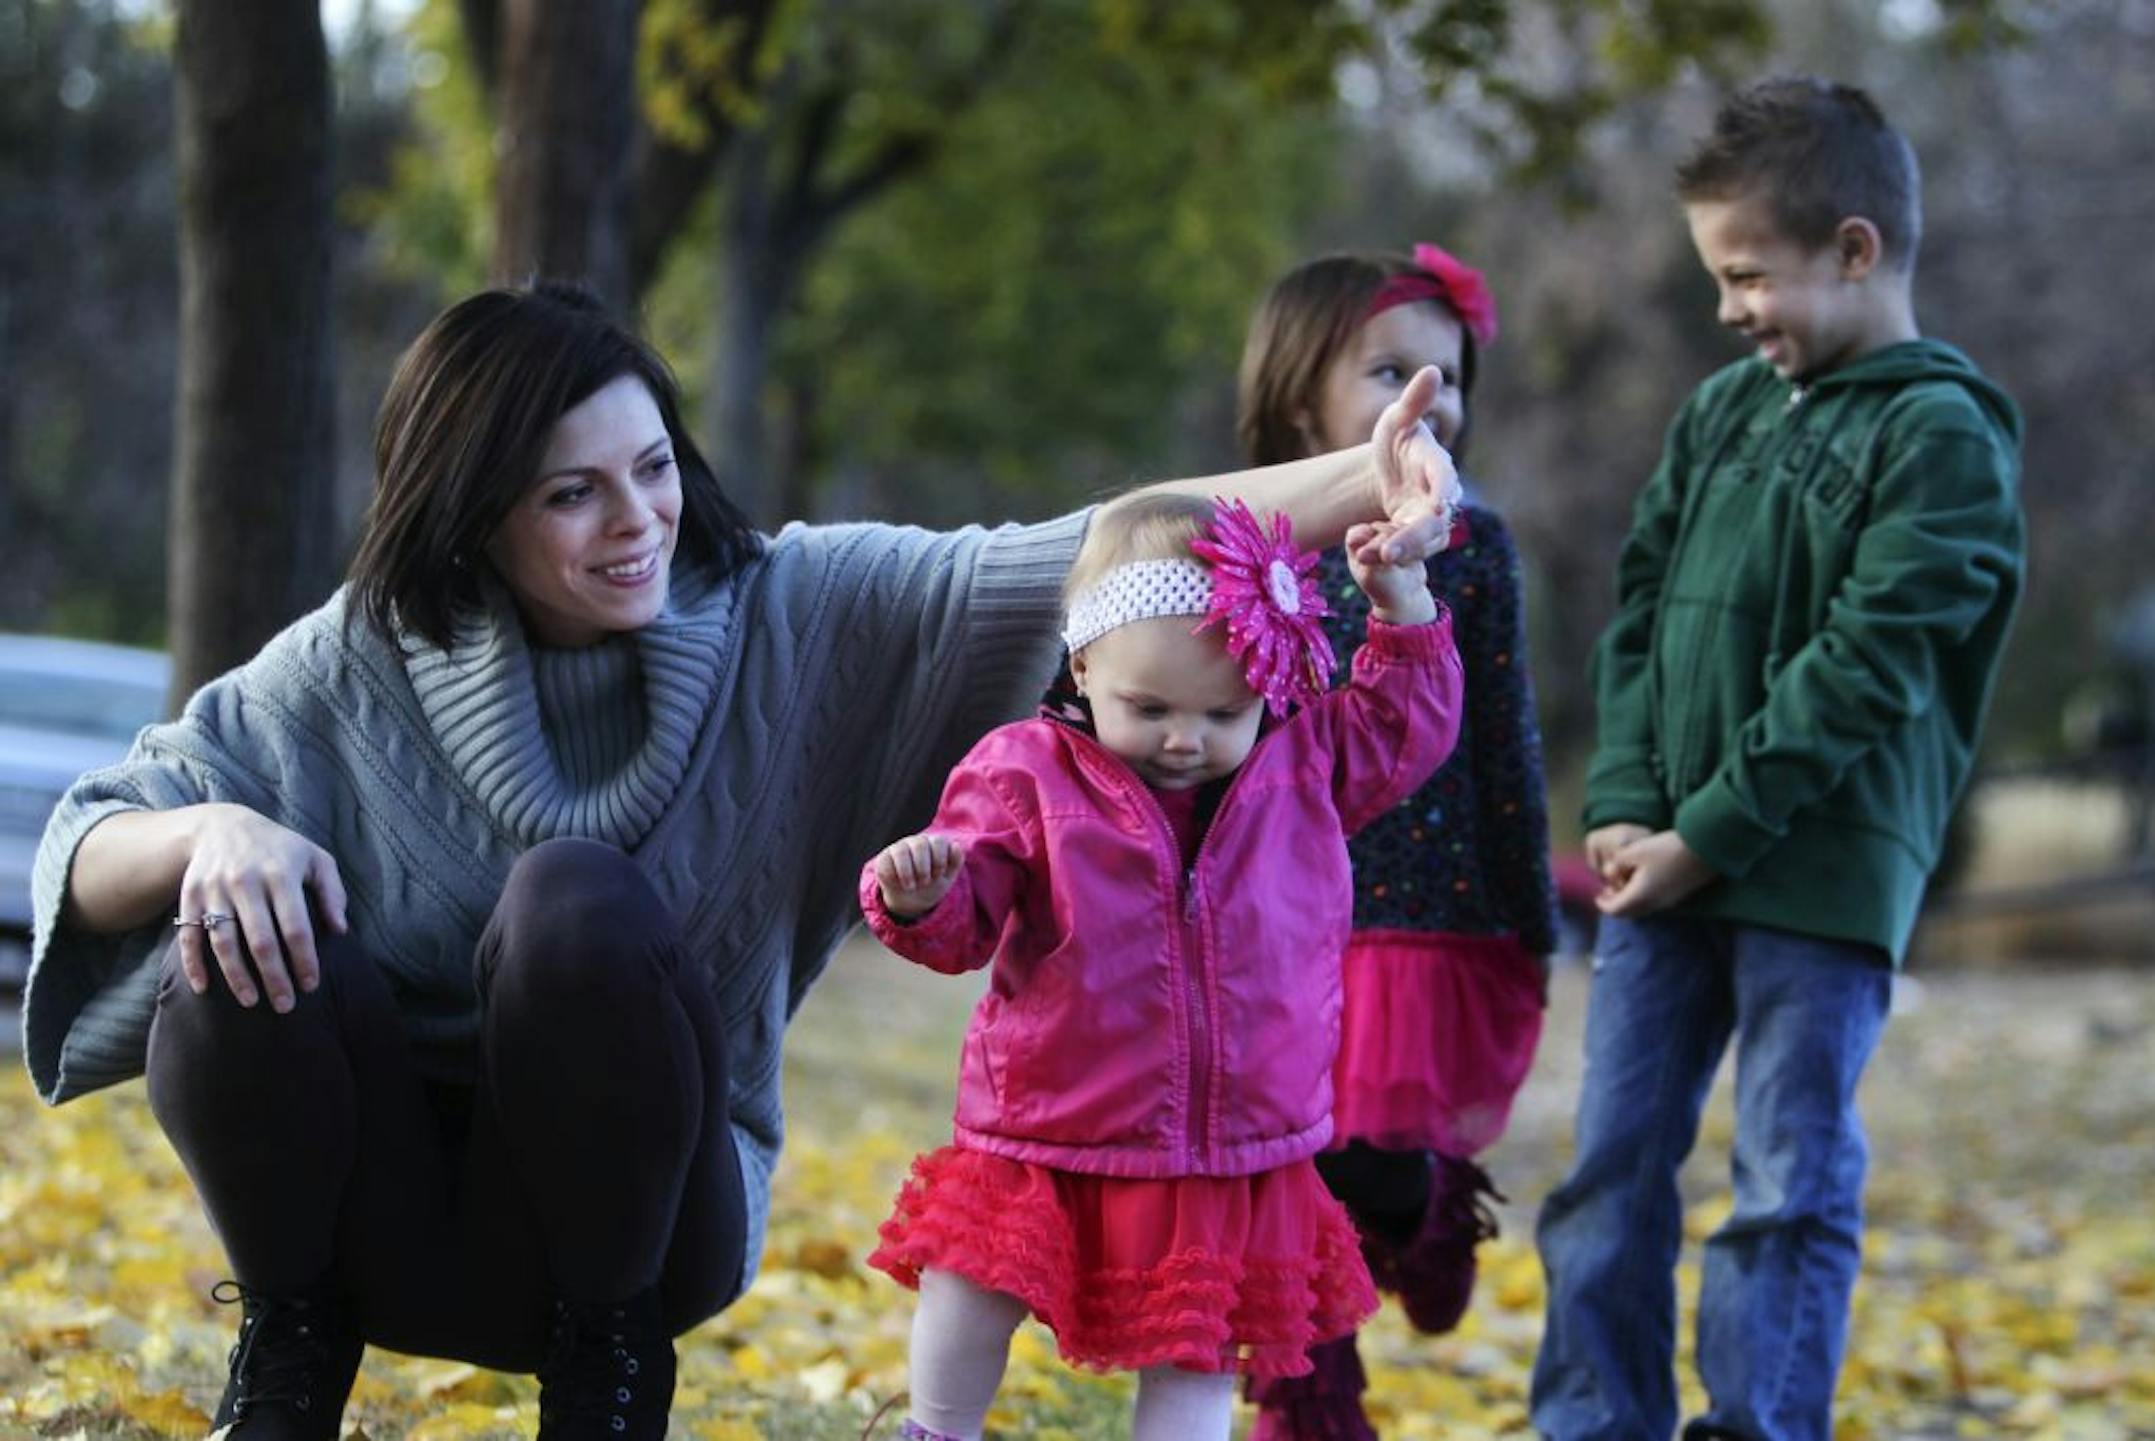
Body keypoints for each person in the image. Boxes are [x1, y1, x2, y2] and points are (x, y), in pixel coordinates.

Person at [21, 282, 1466, 1439]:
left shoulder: (798, 612)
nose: (637, 518)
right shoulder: (351, 667)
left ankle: (606, 1390)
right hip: (373, 1222)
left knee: (572, 899)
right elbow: (85, 843)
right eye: (569, 494)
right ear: (468, 515)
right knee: (224, 945)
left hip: (641, 1241)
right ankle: (288, 1352)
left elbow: (1101, 551)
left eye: (650, 467)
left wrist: (1370, 469)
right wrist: (209, 831)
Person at [1531, 78, 2025, 1441]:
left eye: (1749, 275)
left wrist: (1713, 831)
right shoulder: (1719, 418)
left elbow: (1871, 663)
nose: (1730, 308)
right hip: (1664, 871)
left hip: (1816, 882)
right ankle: (1593, 1424)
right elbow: (1636, 614)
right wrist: (1630, 808)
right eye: (1718, 276)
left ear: (1856, 250)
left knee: (1785, 1180)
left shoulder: (1944, 436)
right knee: (1607, 1176)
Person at [857, 490, 1466, 1441]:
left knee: (1197, 1339)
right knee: (971, 1280)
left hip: (1230, 1137)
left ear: (1268, 682)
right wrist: (920, 896)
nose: (1185, 739)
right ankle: (936, 1429)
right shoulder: (1024, 771)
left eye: (1224, 710)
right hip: (1050, 1117)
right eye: (1147, 707)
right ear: (1084, 664)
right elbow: (965, 921)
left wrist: (1402, 602)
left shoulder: (1304, 765)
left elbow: (1407, 725)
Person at [1231, 244, 1560, 1439]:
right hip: (1273, 914)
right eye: (1388, 371)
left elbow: (1504, 740)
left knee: (1363, 1159)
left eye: (1451, 376)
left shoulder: (1475, 547)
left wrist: (1530, 917)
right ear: (1296, 388)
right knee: (1282, 1172)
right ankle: (1310, 1404)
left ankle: (1422, 1203)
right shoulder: (1238, 534)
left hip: (1423, 905)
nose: (1431, 401)